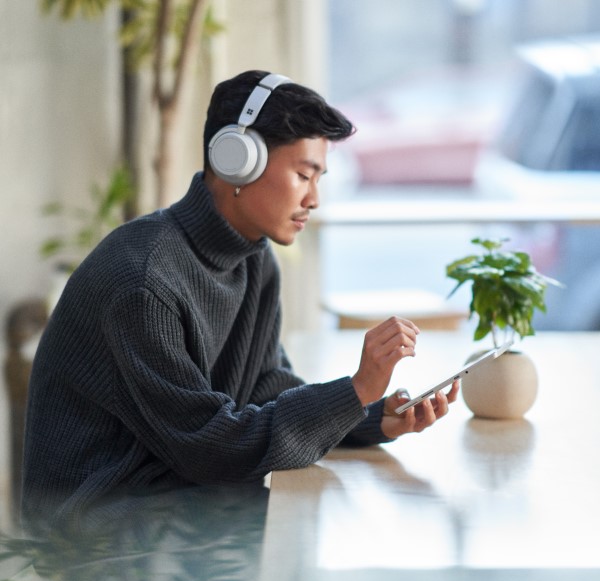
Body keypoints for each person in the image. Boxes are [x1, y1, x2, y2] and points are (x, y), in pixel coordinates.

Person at [22, 70, 458, 535]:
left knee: (334, 527)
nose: (314, 198)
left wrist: (371, 416)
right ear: (237, 161)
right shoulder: (142, 283)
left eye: (319, 178)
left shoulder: (253, 258)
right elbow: (211, 448)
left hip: (176, 499)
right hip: (97, 529)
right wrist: (354, 391)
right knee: (324, 539)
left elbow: (265, 384)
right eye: (302, 174)